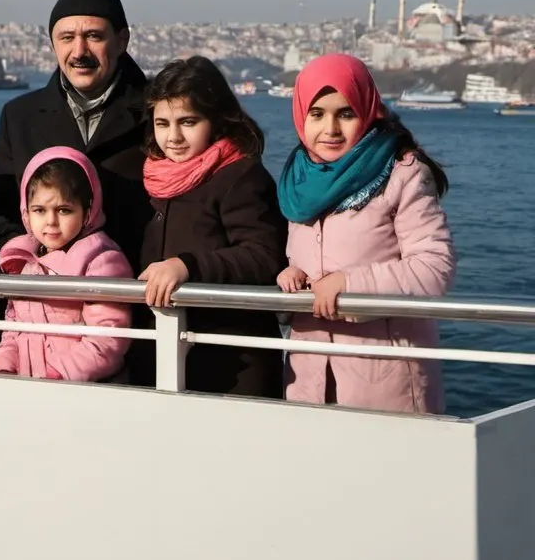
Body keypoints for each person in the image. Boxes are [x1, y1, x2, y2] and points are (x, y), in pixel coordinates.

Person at [276, 53, 455, 413]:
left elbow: (435, 268)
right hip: (308, 380)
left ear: (367, 110)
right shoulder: (300, 179)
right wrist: (292, 274)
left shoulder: (402, 173)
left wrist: (349, 284)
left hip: (386, 384)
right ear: (300, 116)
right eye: (317, 114)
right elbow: (313, 254)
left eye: (345, 113)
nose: (330, 129)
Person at [0, 0, 152, 275]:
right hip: (42, 299)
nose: (79, 51)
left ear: (122, 40)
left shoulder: (159, 113)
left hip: (141, 298)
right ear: (52, 44)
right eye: (67, 37)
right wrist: (20, 260)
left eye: (94, 36)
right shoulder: (20, 117)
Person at [137, 57, 287, 396]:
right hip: (162, 355)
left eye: (187, 121)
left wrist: (187, 266)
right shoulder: (151, 177)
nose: (172, 136)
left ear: (216, 119)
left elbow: (264, 256)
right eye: (162, 123)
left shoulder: (241, 176)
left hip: (232, 363)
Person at [0, 146, 133, 381]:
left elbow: (107, 337)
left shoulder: (101, 259)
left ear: (87, 211)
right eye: (39, 210)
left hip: (80, 390)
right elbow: (13, 329)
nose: (51, 222)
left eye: (64, 210)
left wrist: (57, 374)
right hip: (29, 387)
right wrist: (5, 368)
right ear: (26, 213)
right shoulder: (25, 261)